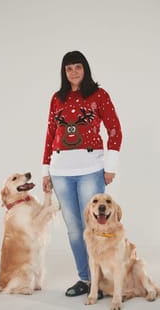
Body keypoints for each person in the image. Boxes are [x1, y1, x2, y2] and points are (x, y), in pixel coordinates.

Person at [42, 50, 122, 297]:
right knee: (75, 229)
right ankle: (87, 280)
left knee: (98, 225)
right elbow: (50, 133)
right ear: (64, 72)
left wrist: (110, 167)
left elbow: (115, 129)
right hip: (61, 172)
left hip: (90, 169)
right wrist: (46, 170)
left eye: (78, 67)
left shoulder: (99, 95)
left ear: (85, 68)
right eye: (68, 68)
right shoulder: (57, 98)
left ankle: (107, 279)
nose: (73, 72)